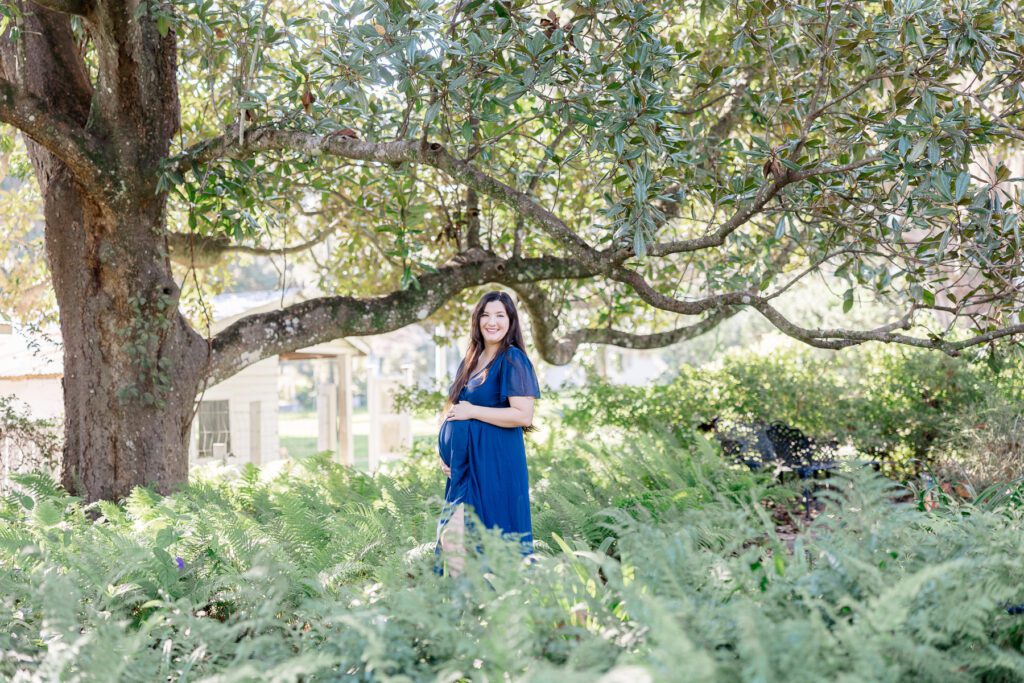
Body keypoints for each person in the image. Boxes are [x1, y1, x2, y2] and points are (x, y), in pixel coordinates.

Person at [435, 291, 541, 576]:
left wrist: (473, 412)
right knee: (454, 539)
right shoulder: (472, 358)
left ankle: (493, 598)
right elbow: (454, 409)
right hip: (466, 467)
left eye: (499, 315)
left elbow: (523, 415)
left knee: (489, 541)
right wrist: (444, 455)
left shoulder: (513, 359)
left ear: (511, 321)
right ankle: (465, 600)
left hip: (496, 463)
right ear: (477, 320)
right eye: (485, 315)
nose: (491, 322)